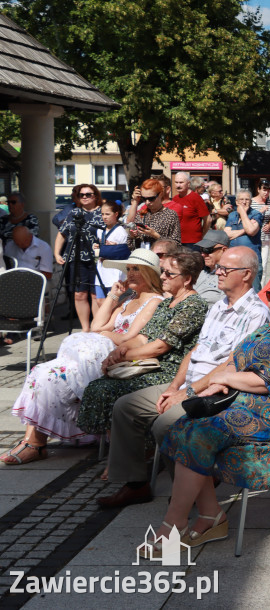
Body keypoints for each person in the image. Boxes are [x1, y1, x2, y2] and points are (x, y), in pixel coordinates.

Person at [150, 271, 270, 552]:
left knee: (201, 433)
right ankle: (211, 515)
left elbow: (267, 380)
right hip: (243, 402)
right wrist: (217, 383)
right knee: (186, 425)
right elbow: (235, 360)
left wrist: (223, 380)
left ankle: (174, 524)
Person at [96, 247, 269, 507]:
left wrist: (186, 393)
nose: (217, 272)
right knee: (126, 407)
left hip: (219, 391)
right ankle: (136, 484)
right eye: (218, 267)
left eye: (225, 269)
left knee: (164, 423)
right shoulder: (219, 306)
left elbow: (231, 365)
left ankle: (192, 494)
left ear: (246, 275)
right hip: (191, 382)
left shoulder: (256, 312)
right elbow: (196, 349)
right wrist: (176, 386)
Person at [2, 250, 164, 464]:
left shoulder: (153, 300)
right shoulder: (129, 298)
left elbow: (129, 337)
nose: (130, 274)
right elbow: (97, 326)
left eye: (137, 269)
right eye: (128, 269)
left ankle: (37, 443)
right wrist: (113, 296)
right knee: (41, 374)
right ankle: (33, 442)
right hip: (101, 350)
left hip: (121, 354)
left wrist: (104, 334)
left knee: (55, 374)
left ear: (150, 273)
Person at [76, 251, 209, 437]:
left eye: (169, 273)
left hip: (170, 368)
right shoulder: (167, 303)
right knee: (98, 385)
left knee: (109, 390)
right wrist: (120, 351)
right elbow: (143, 337)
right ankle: (116, 449)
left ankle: (135, 448)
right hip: (151, 363)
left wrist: (120, 357)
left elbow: (161, 346)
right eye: (163, 271)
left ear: (187, 279)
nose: (162, 276)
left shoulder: (193, 305)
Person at [54, 184, 105, 332]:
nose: (84, 197)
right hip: (76, 258)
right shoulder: (74, 213)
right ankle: (85, 329)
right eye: (81, 195)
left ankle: (96, 327)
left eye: (88, 194)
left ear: (95, 196)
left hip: (96, 259)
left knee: (95, 294)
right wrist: (57, 253)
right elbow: (62, 233)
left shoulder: (102, 213)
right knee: (79, 294)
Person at [127, 178, 181, 250]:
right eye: (144, 198)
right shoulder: (141, 214)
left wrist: (155, 235)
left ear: (160, 194)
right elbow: (129, 244)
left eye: (151, 198)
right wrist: (132, 236)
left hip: (160, 258)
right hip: (141, 256)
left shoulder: (171, 215)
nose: (147, 202)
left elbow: (176, 245)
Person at [224, 189, 263, 288]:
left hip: (251, 260)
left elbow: (251, 231)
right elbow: (226, 234)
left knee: (254, 290)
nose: (244, 202)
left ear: (251, 201)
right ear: (236, 202)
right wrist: (244, 231)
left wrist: (242, 213)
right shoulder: (232, 215)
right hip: (233, 260)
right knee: (234, 288)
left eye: (247, 199)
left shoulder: (256, 214)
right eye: (241, 199)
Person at [93, 201, 130, 303]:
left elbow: (122, 253)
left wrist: (106, 250)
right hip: (101, 269)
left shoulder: (120, 231)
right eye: (102, 214)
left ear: (116, 214)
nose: (104, 217)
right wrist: (97, 247)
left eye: (107, 214)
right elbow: (100, 249)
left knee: (112, 301)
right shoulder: (100, 230)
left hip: (114, 270)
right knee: (100, 300)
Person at [164, 172, 210, 249]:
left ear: (188, 184)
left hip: (193, 242)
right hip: (177, 241)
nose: (178, 185)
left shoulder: (195, 198)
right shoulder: (175, 199)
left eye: (181, 182)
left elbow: (208, 219)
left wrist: (202, 236)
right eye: (176, 182)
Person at [192, 229, 229, 306]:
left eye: (207, 250)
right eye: (202, 249)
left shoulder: (228, 276)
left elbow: (223, 308)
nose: (203, 254)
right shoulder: (201, 272)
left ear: (224, 250)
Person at [252, 180, 270, 275]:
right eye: (264, 190)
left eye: (268, 190)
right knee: (253, 264)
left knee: (264, 265)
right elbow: (247, 218)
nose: (266, 192)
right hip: (253, 237)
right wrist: (260, 211)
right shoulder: (251, 202)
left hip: (265, 238)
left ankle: (261, 288)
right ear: (258, 189)